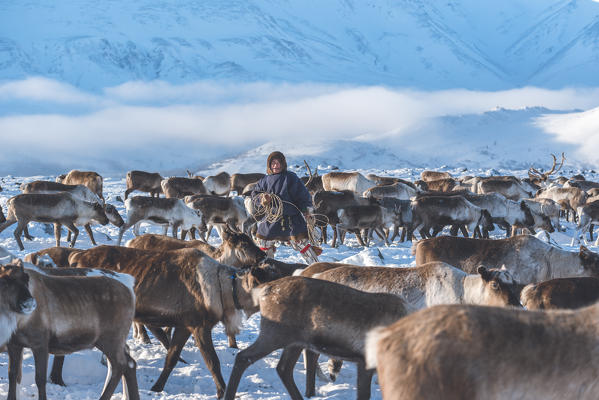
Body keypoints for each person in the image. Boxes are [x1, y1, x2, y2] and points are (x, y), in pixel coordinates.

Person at [251, 151, 320, 263]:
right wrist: (262, 199)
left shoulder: (291, 177)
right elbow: (255, 195)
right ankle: (267, 268)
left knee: (302, 244)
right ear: (269, 165)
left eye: (278, 163)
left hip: (291, 219)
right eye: (273, 163)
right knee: (263, 242)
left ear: (283, 164)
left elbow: (303, 195)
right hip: (271, 218)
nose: (276, 165)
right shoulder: (265, 180)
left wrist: (307, 211)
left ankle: (316, 268)